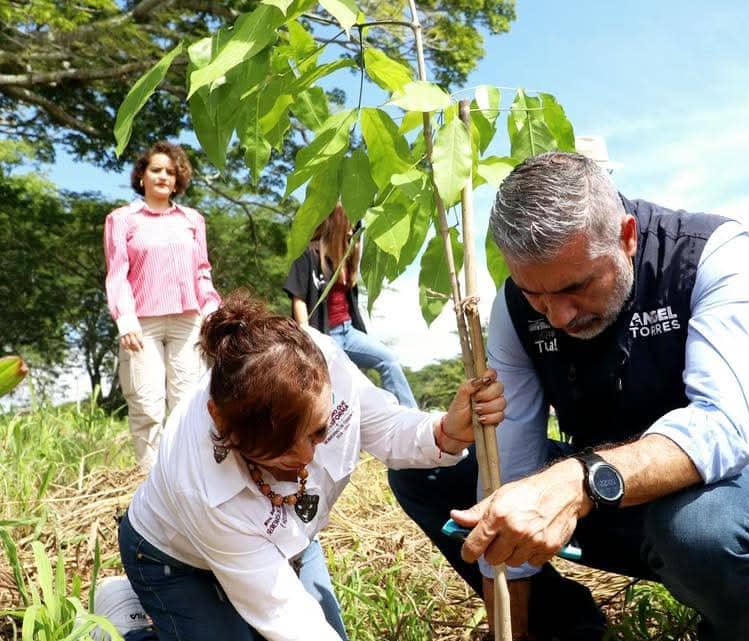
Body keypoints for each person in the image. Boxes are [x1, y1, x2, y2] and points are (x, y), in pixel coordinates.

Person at [388, 152, 749, 641]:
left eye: (577, 287)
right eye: (536, 295)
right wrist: (512, 627)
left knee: (700, 528)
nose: (559, 317)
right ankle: (563, 626)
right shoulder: (514, 307)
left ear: (627, 236)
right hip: (608, 503)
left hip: (738, 503)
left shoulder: (709, 252)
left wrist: (578, 480)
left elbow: (722, 429)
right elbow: (507, 463)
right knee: (431, 470)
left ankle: (731, 626)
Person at [108, 291, 504, 641]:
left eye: (318, 432)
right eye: (276, 455)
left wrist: (446, 432)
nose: (305, 460)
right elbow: (286, 615)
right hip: (173, 559)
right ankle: (129, 624)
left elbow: (384, 425)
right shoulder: (201, 486)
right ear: (222, 424)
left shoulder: (316, 359)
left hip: (287, 540)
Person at [104, 140, 221, 469]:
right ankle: (149, 481)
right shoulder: (122, 219)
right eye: (156, 170)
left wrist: (212, 311)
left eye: (171, 172)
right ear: (142, 175)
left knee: (188, 404)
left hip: (188, 322)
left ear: (178, 180)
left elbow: (202, 272)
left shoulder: (192, 219)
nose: (163, 177)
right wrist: (125, 320)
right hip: (142, 325)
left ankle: (185, 476)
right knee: (146, 403)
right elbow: (117, 275)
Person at [284, 204, 417, 408]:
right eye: (350, 221)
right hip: (325, 337)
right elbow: (299, 298)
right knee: (346, 387)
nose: (353, 228)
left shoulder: (347, 255)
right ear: (337, 220)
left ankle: (412, 415)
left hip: (349, 332)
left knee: (389, 360)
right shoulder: (309, 254)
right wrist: (307, 336)